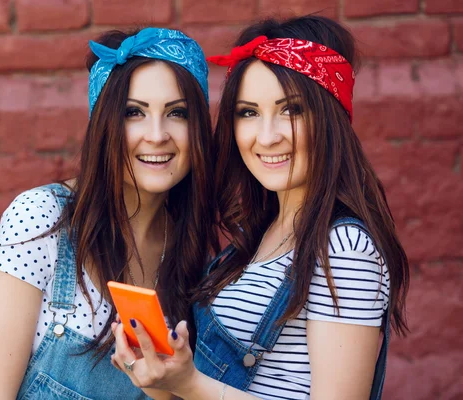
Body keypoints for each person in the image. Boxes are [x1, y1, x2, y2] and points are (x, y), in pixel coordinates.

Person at [111, 16, 409, 400]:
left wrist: (189, 384)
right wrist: (161, 376)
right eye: (248, 112)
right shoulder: (258, 237)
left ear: (332, 117)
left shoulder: (344, 248)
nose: (267, 137)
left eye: (292, 110)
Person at [0, 27, 217, 400]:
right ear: (102, 125)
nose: (157, 134)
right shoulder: (43, 219)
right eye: (134, 112)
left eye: (177, 113)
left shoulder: (194, 257)